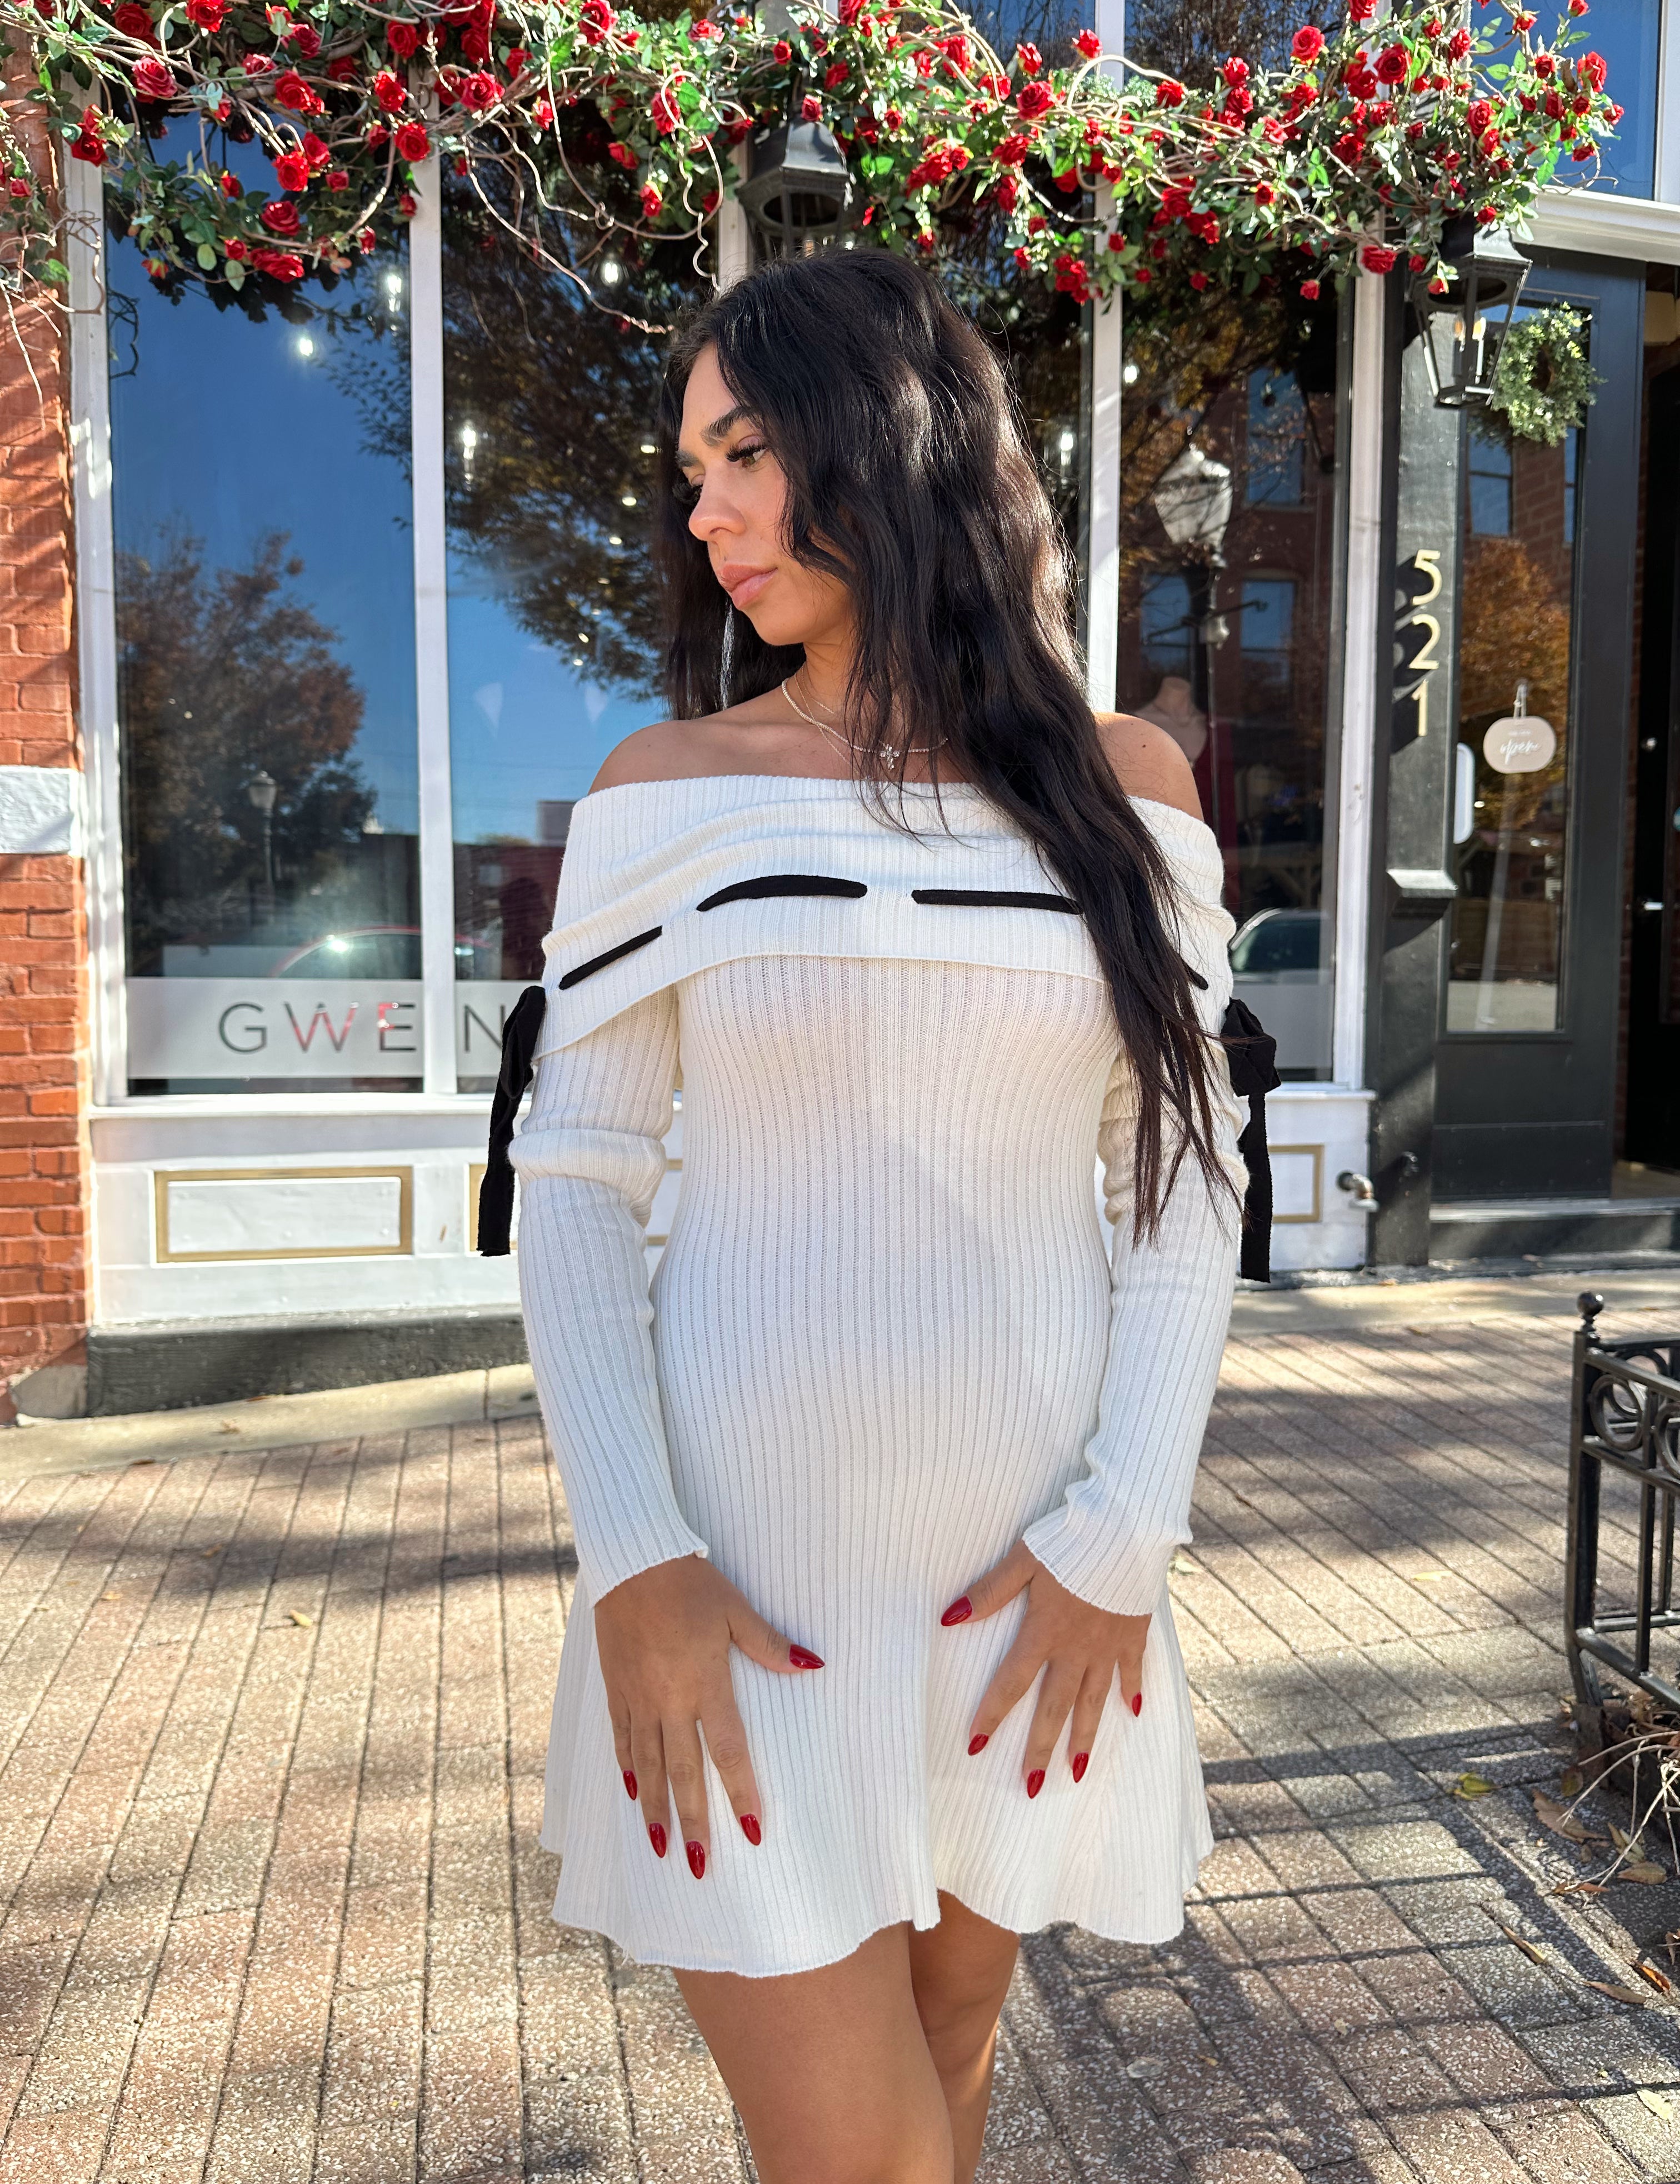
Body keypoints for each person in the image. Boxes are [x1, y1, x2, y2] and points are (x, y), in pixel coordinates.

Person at [507, 249, 1248, 2184]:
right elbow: (575, 1188)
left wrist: (1121, 1538)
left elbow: (1176, 1186)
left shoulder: (1130, 794)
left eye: (744, 450)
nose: (706, 512)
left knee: (955, 2058)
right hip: (734, 1590)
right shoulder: (669, 790)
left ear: (895, 440)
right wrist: (635, 1561)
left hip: (1030, 1590)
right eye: (691, 470)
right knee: (875, 2157)